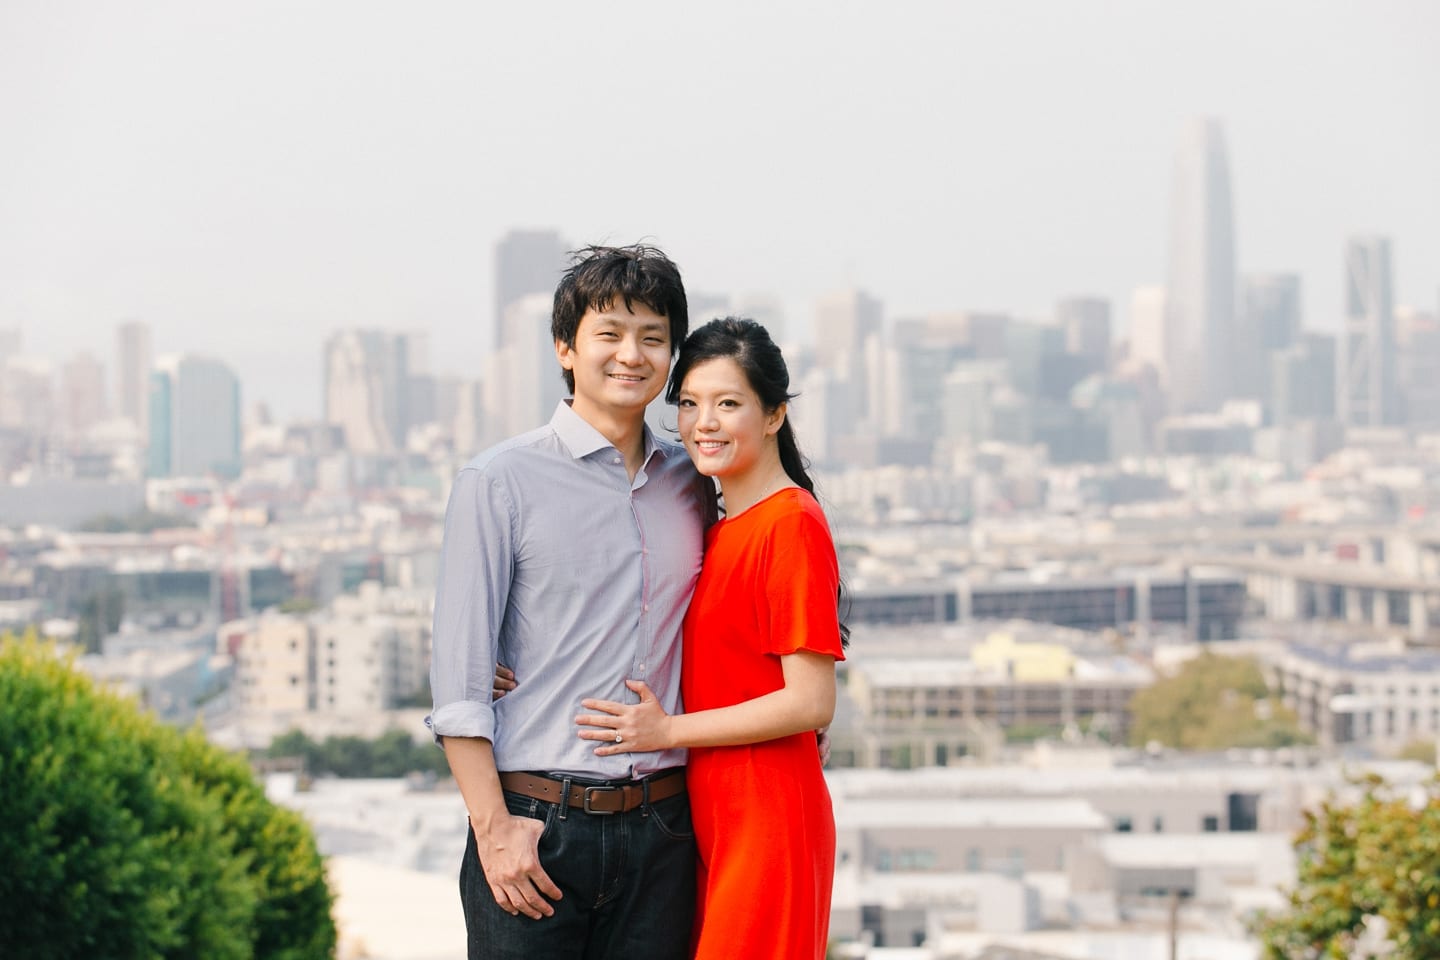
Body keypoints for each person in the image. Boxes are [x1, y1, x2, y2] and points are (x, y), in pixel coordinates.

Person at [427, 243, 715, 959]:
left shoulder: (694, 480)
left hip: (666, 831)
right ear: (565, 347)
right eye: (609, 334)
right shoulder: (499, 480)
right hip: (538, 824)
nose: (631, 354)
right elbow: (458, 680)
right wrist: (494, 830)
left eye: (653, 337)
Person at [575, 317, 847, 960]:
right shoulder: (720, 527)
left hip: (767, 818)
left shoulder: (790, 525)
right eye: (690, 404)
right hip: (712, 814)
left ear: (775, 414)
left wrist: (666, 731)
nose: (704, 423)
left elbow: (811, 702)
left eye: (728, 404)